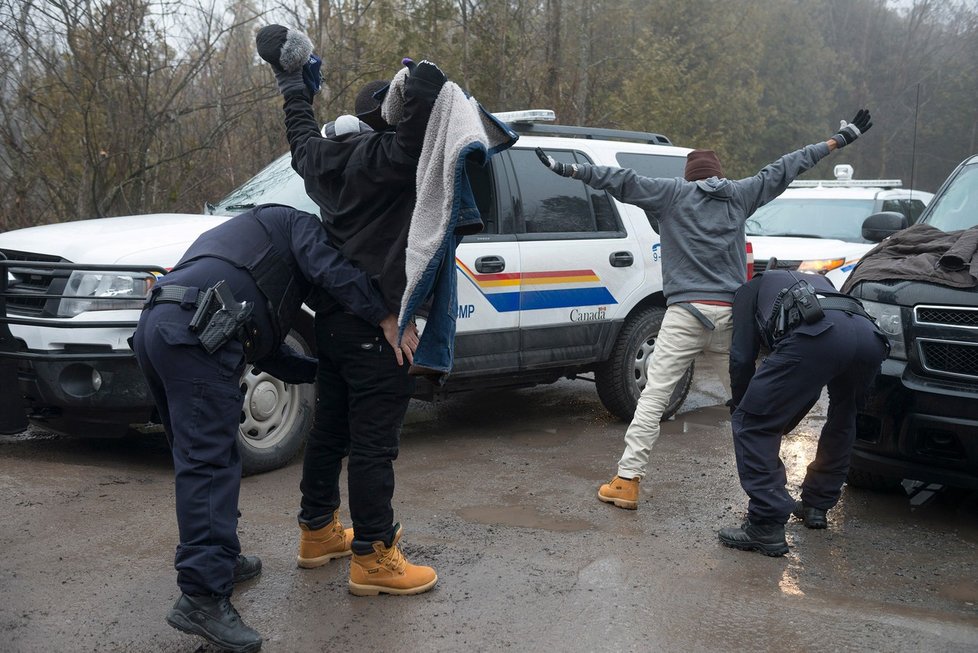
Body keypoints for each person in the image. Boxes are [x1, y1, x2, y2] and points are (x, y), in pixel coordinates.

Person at [535, 109, 874, 510]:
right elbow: (790, 165)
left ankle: (627, 482)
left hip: (683, 315)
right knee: (751, 410)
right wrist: (841, 138)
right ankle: (773, 490)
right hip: (731, 318)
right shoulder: (742, 193)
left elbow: (619, 180)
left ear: (688, 175)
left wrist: (566, 169)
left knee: (654, 398)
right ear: (718, 173)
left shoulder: (670, 194)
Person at [132, 204, 415, 652]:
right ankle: (203, 597)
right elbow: (331, 270)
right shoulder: (297, 225)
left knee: (201, 460)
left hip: (162, 325)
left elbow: (266, 351)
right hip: (194, 334)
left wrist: (322, 370)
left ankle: (219, 561)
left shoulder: (258, 249)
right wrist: (383, 315)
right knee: (209, 466)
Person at [256, 24, 446, 595]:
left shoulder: (320, 160)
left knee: (330, 433)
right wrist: (420, 83)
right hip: (378, 325)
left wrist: (293, 85)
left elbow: (298, 134)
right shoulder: (389, 159)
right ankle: (373, 556)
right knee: (373, 445)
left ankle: (317, 533)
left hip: (332, 322)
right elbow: (420, 124)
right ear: (384, 119)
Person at [718, 269, 888, 556]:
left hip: (819, 335)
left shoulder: (749, 289)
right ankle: (816, 505)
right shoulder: (817, 281)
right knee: (844, 416)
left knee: (752, 423)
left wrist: (743, 406)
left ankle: (765, 523)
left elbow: (742, 357)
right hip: (869, 338)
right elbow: (806, 383)